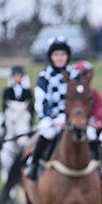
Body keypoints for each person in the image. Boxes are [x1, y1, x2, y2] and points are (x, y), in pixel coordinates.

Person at [25, 36, 78, 181]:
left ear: (67, 56)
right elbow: (41, 102)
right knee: (47, 132)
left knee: (93, 135)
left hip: (73, 117)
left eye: (62, 54)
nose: (60, 58)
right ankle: (34, 165)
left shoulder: (75, 75)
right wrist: (54, 118)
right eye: (56, 55)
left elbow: (80, 99)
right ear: (50, 57)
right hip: (52, 118)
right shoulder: (44, 76)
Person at [71, 60, 102, 175]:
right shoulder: (71, 93)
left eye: (86, 74)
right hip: (74, 124)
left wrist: (99, 122)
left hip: (90, 124)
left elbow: (100, 108)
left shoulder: (93, 92)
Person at [0, 66, 35, 171]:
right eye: (16, 75)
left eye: (19, 76)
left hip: (25, 123)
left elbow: (31, 108)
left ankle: (34, 163)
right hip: (10, 122)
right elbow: (4, 108)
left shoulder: (27, 91)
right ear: (13, 77)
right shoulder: (7, 91)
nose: (17, 78)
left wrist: (30, 123)